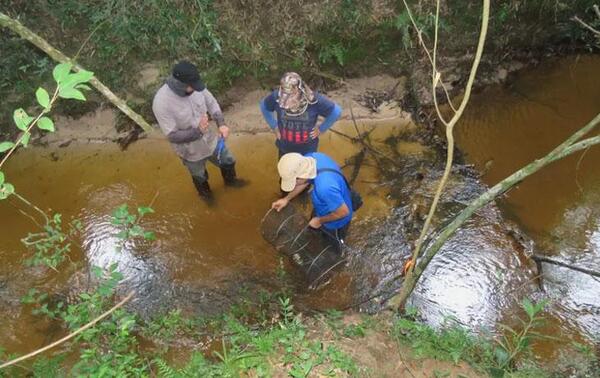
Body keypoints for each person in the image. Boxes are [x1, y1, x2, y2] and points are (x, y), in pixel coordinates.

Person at [152, 61, 246, 204]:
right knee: (199, 176)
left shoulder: (196, 88)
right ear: (180, 84)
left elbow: (212, 104)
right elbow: (172, 136)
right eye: (192, 86)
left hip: (210, 140)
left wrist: (221, 124)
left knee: (228, 161)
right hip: (190, 150)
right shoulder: (161, 102)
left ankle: (231, 182)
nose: (196, 89)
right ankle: (207, 197)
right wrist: (198, 131)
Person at [271, 152, 352, 255]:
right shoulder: (310, 158)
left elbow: (343, 212)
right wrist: (286, 199)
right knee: (315, 227)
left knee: (332, 246)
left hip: (336, 220)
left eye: (294, 181)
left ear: (302, 176)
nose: (294, 185)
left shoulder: (325, 187)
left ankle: (337, 259)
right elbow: (304, 181)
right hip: (327, 203)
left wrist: (320, 220)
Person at [260, 72, 342, 157]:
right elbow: (264, 106)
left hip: (308, 149)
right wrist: (274, 126)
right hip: (285, 147)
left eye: (291, 96)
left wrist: (321, 129)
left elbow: (336, 112)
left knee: (306, 169)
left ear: (300, 90)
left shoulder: (314, 100)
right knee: (285, 168)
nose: (287, 100)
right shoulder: (276, 96)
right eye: (285, 96)